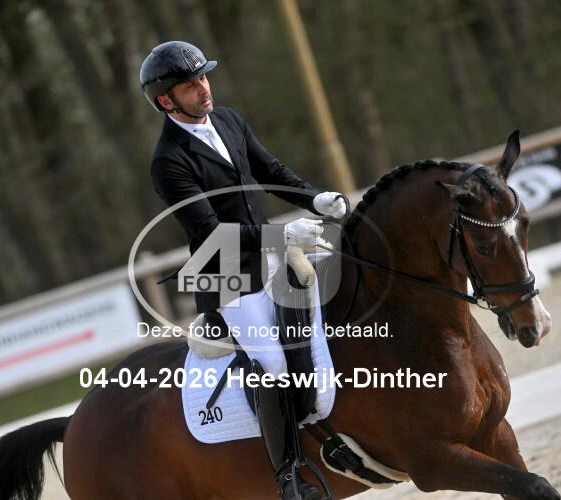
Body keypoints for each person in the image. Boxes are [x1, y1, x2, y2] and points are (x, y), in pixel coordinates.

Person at [141, 41, 345, 500]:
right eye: (190, 85)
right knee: (271, 362)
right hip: (225, 273)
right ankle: (288, 475)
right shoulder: (168, 161)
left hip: (268, 255)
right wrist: (284, 235)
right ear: (166, 101)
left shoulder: (228, 120)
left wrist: (314, 198)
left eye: (203, 77)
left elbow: (271, 171)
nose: (203, 88)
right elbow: (211, 232)